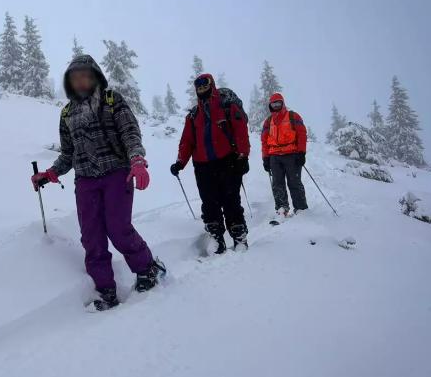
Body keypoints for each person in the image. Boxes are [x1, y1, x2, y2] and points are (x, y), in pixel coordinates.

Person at [31, 54, 165, 312]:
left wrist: (137, 160)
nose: (81, 81)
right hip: (85, 181)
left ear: (95, 77)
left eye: (85, 75)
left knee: (118, 229)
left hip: (117, 174)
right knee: (91, 238)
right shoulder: (67, 113)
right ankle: (105, 289)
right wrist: (50, 173)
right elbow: (69, 153)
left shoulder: (111, 100)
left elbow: (130, 133)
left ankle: (147, 268)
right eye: (75, 77)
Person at [170, 73, 250, 254]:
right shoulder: (193, 115)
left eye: (204, 84)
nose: (201, 88)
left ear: (211, 84)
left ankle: (239, 238)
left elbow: (240, 132)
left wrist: (243, 156)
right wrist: (180, 163)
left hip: (228, 162)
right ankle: (216, 240)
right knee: (209, 204)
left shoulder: (227, 106)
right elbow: (187, 141)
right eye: (198, 86)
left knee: (231, 201)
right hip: (203, 166)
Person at [261, 92, 308, 217]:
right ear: (270, 105)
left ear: (282, 103)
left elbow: (302, 135)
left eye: (278, 103)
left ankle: (301, 209)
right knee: (277, 184)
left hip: (292, 155)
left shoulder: (293, 116)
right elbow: (264, 141)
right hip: (274, 157)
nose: (276, 105)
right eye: (273, 103)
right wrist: (265, 158)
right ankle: (282, 209)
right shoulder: (268, 121)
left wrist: (301, 152)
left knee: (294, 182)